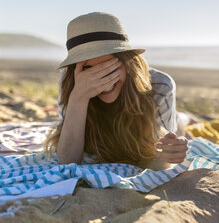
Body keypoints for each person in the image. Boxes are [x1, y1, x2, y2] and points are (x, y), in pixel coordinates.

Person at [44, 12, 189, 170]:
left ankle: (187, 118)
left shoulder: (160, 85)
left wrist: (172, 152)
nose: (102, 81)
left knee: (181, 123)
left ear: (128, 62)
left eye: (109, 66)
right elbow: (67, 161)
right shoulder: (71, 81)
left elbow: (161, 161)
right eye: (89, 69)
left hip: (169, 120)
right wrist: (79, 97)